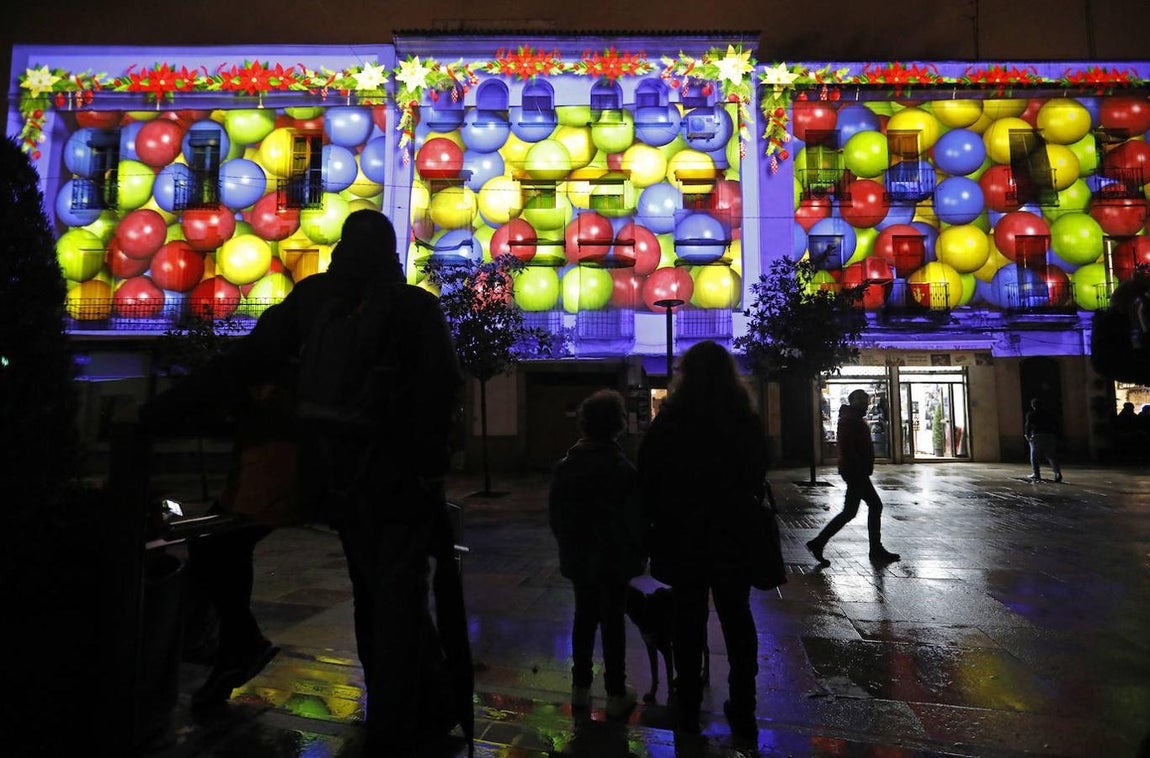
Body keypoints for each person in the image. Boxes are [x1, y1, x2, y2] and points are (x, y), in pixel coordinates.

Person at [141, 210, 468, 756]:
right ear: (391, 254)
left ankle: (410, 710)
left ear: (343, 248)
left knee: (376, 599)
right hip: (398, 486)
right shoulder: (416, 307)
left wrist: (159, 413)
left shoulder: (315, 300)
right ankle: (404, 720)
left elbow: (241, 363)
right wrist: (427, 471)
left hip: (334, 475)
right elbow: (443, 394)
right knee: (394, 603)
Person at [637, 340, 767, 738]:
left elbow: (648, 474)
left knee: (688, 622)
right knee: (737, 618)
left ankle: (688, 702)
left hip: (684, 535)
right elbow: (758, 470)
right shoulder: (743, 418)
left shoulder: (672, 419)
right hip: (733, 533)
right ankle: (743, 702)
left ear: (685, 375)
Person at [548, 389, 643, 719]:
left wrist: (569, 545)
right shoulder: (622, 470)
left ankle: (580, 687)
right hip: (613, 559)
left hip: (579, 557)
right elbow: (635, 519)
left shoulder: (566, 466)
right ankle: (616, 690)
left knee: (583, 618)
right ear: (616, 425)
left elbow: (556, 516)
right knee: (612, 622)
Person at [806, 389, 901, 566]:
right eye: (860, 400)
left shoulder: (854, 418)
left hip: (856, 470)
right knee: (873, 505)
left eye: (866, 400)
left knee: (851, 511)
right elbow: (849, 448)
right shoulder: (849, 420)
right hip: (855, 471)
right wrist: (860, 466)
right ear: (852, 401)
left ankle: (819, 543)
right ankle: (875, 549)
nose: (864, 404)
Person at [1024, 397, 1063, 482]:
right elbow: (1055, 424)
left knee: (1034, 457)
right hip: (1049, 436)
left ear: (1032, 406)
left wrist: (1027, 435)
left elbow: (1028, 425)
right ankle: (1057, 473)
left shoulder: (1031, 414)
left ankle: (1036, 474)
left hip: (1037, 436)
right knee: (1051, 456)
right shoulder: (1048, 414)